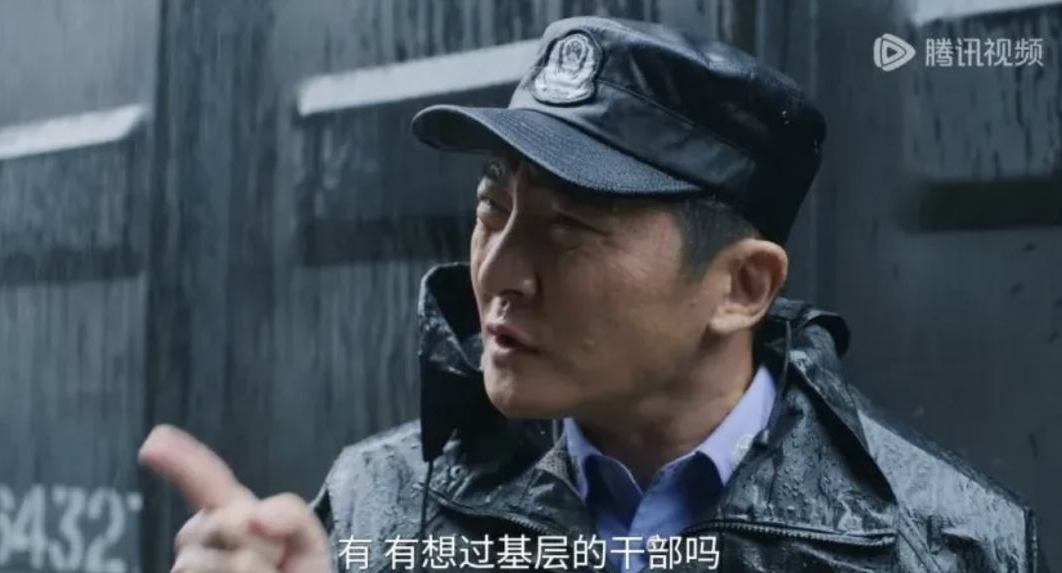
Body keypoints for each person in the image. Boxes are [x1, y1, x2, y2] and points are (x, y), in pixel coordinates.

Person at [138, 15, 1048, 573]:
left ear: (741, 286)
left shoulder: (947, 547)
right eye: (492, 208)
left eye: (570, 229)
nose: (498, 272)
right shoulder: (381, 505)